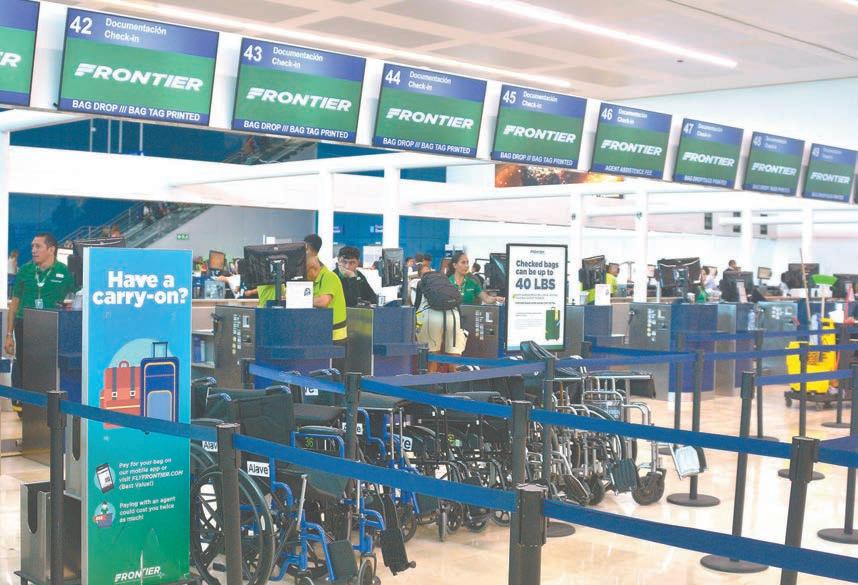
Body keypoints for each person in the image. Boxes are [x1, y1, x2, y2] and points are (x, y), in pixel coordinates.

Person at [4, 233, 77, 394]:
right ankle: (22, 403)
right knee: (23, 366)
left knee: (46, 367)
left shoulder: (64, 272)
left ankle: (44, 403)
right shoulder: (25, 270)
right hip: (24, 324)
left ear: (51, 249)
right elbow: (14, 303)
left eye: (38, 246)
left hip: (51, 326)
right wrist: (9, 335)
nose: (33, 250)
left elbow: (80, 293)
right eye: (32, 246)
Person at [415, 263, 466, 372]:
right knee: (453, 355)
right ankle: (455, 380)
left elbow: (415, 307)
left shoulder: (420, 283)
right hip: (453, 316)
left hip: (432, 317)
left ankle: (431, 380)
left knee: (433, 355)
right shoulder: (445, 282)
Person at [305, 234, 348, 344]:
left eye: (307, 271)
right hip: (322, 333)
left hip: (336, 337)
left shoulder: (329, 277)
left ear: (314, 268)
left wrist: (299, 300)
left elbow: (323, 301)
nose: (306, 276)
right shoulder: (313, 282)